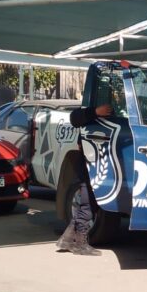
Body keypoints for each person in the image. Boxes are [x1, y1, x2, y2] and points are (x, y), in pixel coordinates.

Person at [55, 102, 113, 256]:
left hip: (99, 159)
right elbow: (75, 118)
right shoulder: (91, 108)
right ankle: (80, 243)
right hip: (90, 160)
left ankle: (67, 239)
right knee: (88, 203)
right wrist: (95, 111)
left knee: (90, 202)